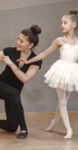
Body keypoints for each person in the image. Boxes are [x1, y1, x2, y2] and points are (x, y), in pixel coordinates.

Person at [18, 10, 78, 139]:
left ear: (74, 25)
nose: (61, 25)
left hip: (73, 72)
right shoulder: (59, 40)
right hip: (61, 71)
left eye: (65, 23)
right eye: (61, 22)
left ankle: (54, 122)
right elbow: (44, 54)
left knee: (64, 101)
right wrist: (28, 60)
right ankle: (69, 130)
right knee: (62, 102)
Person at [0, 25, 42, 139]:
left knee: (11, 127)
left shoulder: (36, 60)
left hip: (13, 95)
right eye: (18, 39)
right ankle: (24, 129)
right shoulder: (10, 51)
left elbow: (25, 79)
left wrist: (11, 63)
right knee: (15, 94)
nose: (18, 42)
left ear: (30, 45)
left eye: (21, 41)